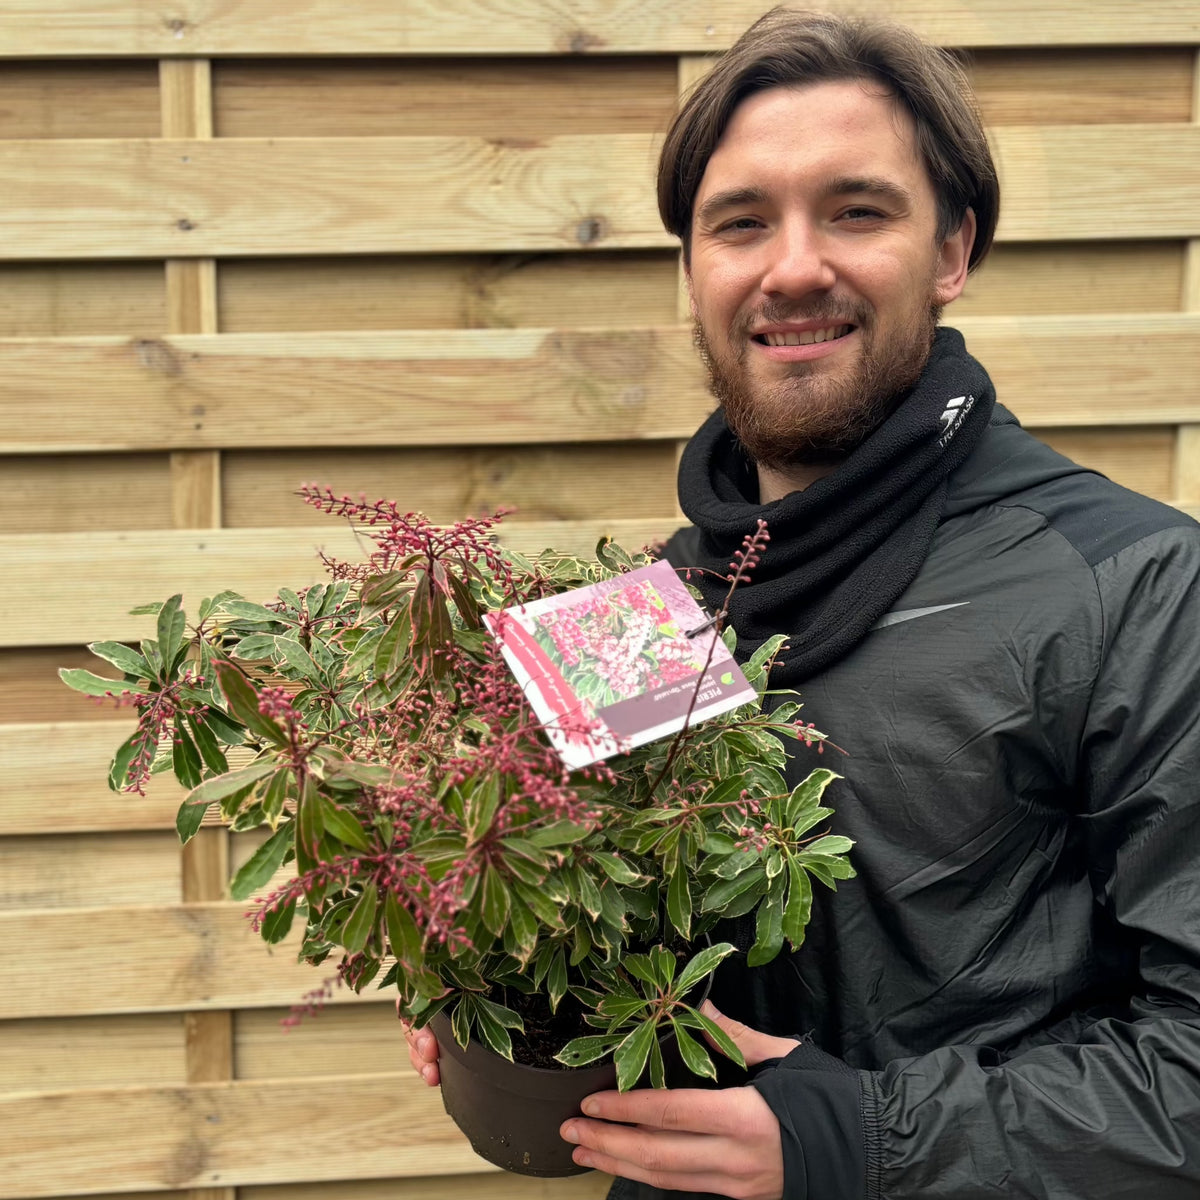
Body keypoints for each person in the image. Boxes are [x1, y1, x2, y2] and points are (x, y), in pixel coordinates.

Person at [405, 8, 1200, 1198]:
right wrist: (491, 996)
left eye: (856, 211)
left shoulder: (1135, 586)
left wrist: (861, 1139)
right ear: (692, 268)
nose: (792, 267)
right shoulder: (637, 613)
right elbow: (602, 977)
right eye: (740, 223)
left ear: (952, 250)